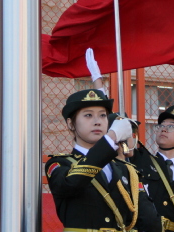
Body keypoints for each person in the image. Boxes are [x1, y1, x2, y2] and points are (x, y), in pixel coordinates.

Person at [85, 48, 174, 232]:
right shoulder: (141, 159)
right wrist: (99, 84)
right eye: (162, 125)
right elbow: (117, 123)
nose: (164, 128)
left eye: (172, 126)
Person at [45, 88, 162, 231]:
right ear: (71, 124)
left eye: (102, 115)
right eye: (88, 115)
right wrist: (111, 138)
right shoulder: (60, 163)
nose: (97, 122)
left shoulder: (125, 169)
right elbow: (71, 184)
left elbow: (149, 220)